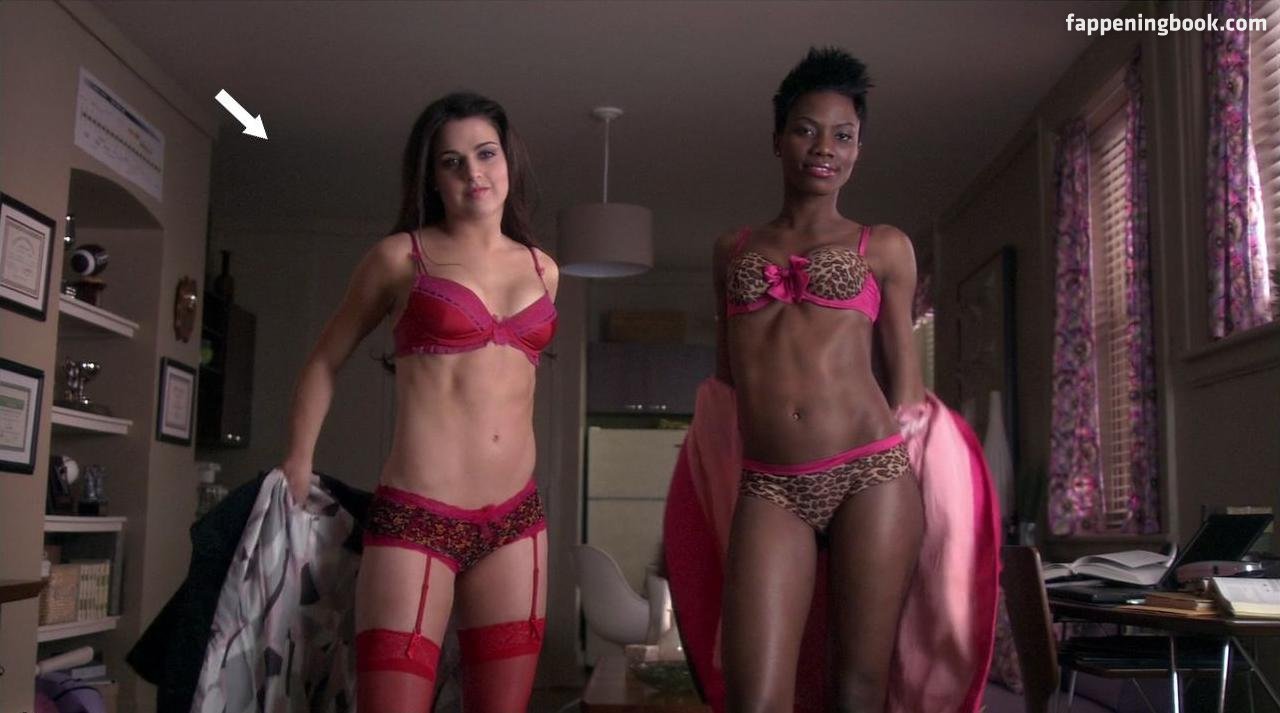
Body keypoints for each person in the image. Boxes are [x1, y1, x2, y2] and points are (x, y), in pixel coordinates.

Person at [279, 92, 558, 713]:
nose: (473, 173)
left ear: (508, 160)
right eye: (451, 162)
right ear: (432, 177)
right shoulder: (399, 257)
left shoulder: (544, 270)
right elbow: (323, 360)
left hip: (515, 523)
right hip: (416, 519)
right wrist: (298, 457)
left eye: (485, 154)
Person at [713, 47, 925, 712]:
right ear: (778, 137)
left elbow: (907, 386)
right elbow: (726, 381)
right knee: (754, 697)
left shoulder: (884, 246)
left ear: (859, 148)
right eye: (806, 129)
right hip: (770, 482)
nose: (824, 147)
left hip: (871, 472)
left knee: (857, 687)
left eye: (844, 135)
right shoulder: (731, 251)